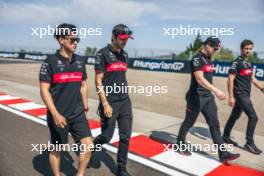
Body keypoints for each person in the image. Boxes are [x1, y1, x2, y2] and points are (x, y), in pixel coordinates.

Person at [39, 23, 93, 176]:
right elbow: (44, 90)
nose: (76, 42)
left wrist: (85, 104)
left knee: (88, 146)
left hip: (77, 113)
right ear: (61, 40)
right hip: (58, 114)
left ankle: (80, 174)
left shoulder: (80, 61)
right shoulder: (49, 61)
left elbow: (83, 84)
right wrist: (55, 114)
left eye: (78, 39)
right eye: (72, 39)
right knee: (57, 150)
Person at [176, 36, 240, 163]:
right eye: (214, 48)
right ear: (206, 45)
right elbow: (200, 79)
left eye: (216, 49)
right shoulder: (196, 59)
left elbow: (208, 78)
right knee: (189, 123)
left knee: (215, 126)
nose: (215, 51)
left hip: (207, 98)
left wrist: (211, 92)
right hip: (195, 98)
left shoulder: (209, 59)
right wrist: (216, 90)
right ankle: (179, 144)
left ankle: (223, 154)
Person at [93, 24, 133, 176]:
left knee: (125, 137)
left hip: (125, 102)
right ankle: (90, 147)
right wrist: (104, 103)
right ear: (113, 37)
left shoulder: (125, 55)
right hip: (109, 102)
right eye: (122, 39)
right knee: (106, 136)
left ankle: (121, 169)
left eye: (127, 39)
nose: (125, 42)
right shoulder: (102, 54)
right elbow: (98, 81)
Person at [223, 39, 264, 154]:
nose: (248, 51)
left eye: (250, 49)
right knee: (253, 117)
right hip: (240, 94)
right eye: (246, 48)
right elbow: (230, 79)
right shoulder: (237, 62)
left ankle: (225, 136)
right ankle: (249, 143)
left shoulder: (248, 63)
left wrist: (262, 88)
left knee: (234, 116)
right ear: (241, 49)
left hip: (245, 94)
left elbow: (252, 79)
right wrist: (231, 96)